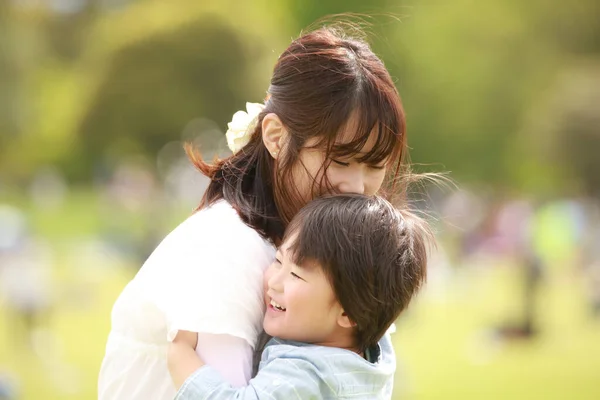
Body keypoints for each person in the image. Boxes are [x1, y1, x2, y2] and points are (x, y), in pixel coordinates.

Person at [98, 24, 411, 400]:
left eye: (375, 165)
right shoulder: (227, 247)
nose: (358, 188)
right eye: (340, 160)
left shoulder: (335, 248)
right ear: (276, 137)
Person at [168, 194, 431, 399]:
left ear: (349, 313)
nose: (275, 282)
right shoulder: (374, 355)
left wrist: (181, 352)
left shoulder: (309, 374)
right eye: (279, 260)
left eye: (296, 275)